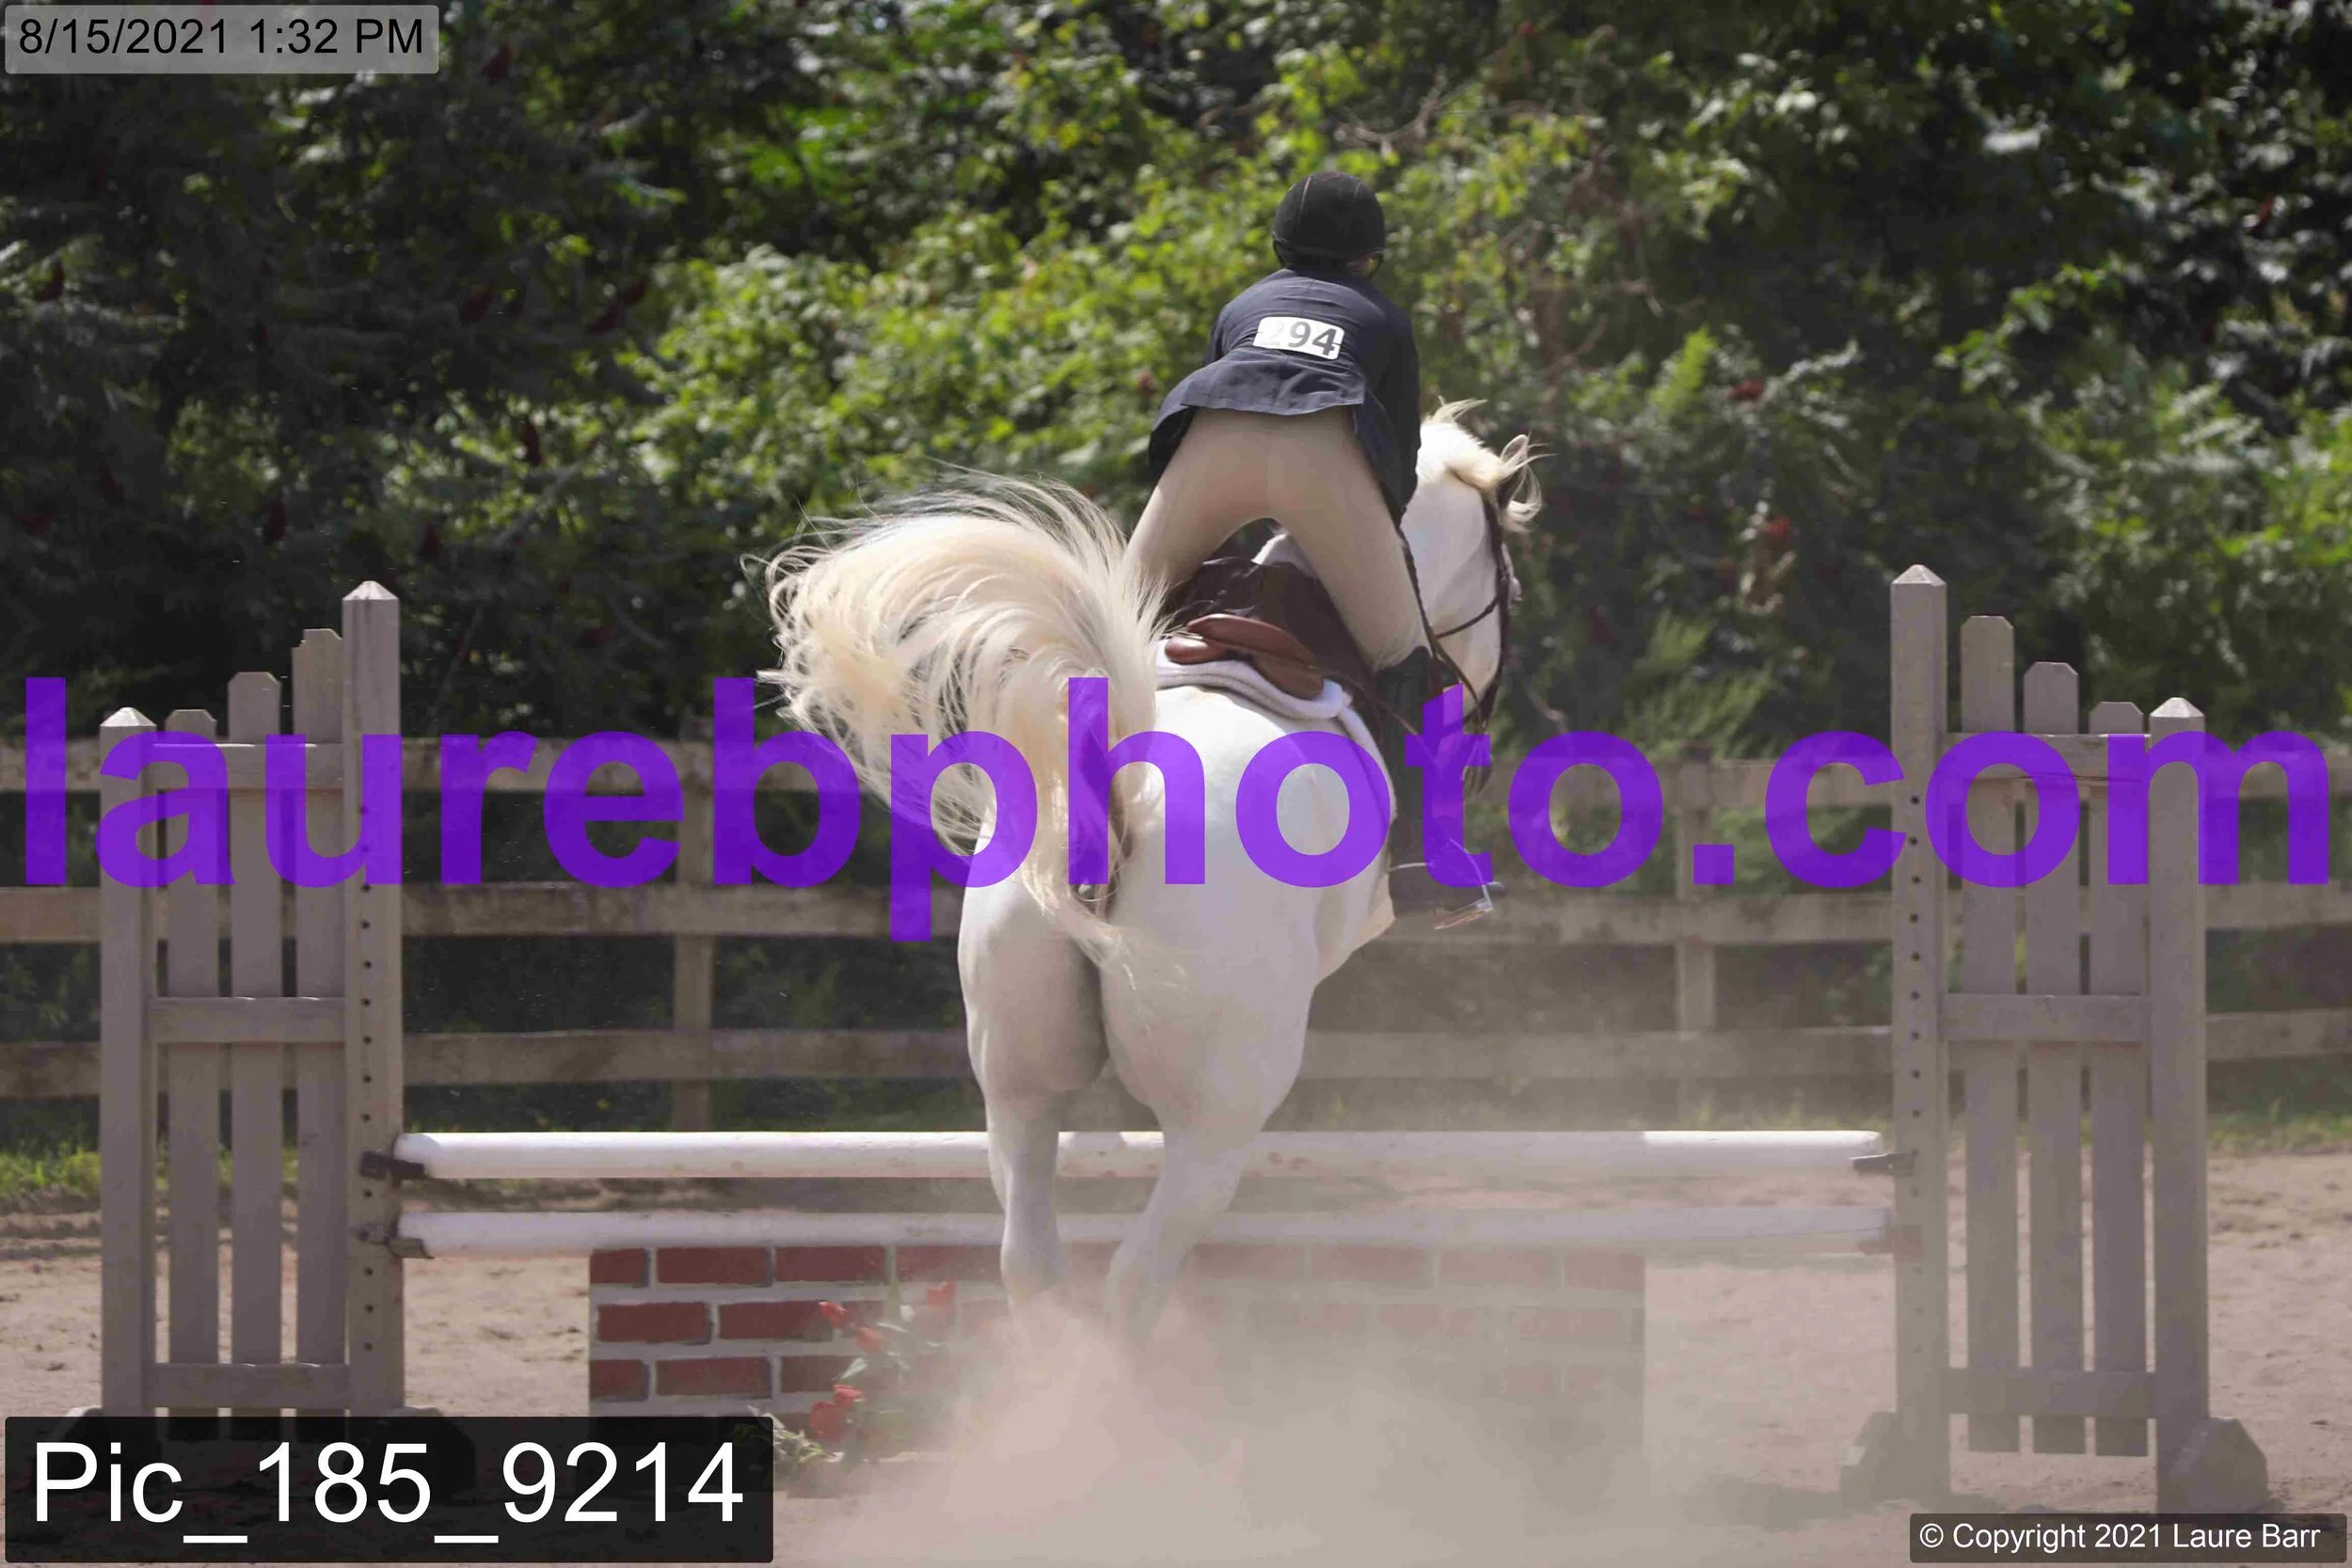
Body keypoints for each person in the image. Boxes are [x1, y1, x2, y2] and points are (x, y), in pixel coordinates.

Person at [1126, 170, 1496, 927]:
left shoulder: (1242, 306)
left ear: (1278, 247)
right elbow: (1397, 463)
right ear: (1371, 258)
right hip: (1322, 455)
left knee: (1107, 621)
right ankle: (1425, 863)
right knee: (1407, 659)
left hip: (1213, 444)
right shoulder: (1385, 319)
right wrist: (1343, 536)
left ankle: (1068, 826)